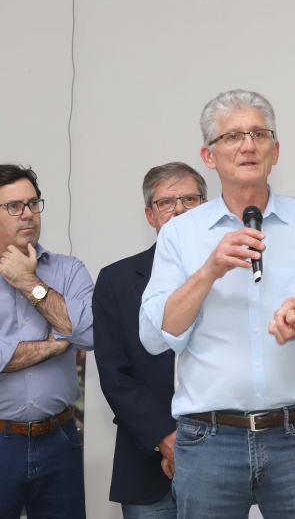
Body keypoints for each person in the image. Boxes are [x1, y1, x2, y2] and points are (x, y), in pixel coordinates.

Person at [139, 89, 295, 519]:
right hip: (209, 441)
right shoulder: (180, 234)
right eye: (233, 137)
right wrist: (208, 271)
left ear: (275, 150)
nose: (247, 145)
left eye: (259, 134)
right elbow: (154, 336)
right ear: (209, 156)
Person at [94, 162, 208, 517]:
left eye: (190, 199)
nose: (179, 210)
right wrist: (168, 440)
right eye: (166, 202)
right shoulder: (116, 280)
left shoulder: (231, 271)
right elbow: (115, 375)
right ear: (150, 215)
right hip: (146, 457)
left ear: (207, 206)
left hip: (220, 455)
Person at [0, 163, 95, 518]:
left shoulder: (69, 270)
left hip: (61, 438)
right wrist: (57, 343)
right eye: (14, 206)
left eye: (33, 203)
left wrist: (29, 283)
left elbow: (88, 334)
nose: (27, 214)